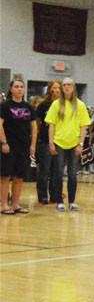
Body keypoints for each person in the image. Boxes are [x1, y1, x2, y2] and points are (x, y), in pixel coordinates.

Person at [45, 78, 92, 212]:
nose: (66, 87)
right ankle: (59, 201)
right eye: (64, 85)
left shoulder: (80, 105)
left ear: (74, 87)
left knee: (72, 174)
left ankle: (72, 201)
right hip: (59, 143)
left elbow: (84, 126)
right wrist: (51, 143)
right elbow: (51, 125)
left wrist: (81, 144)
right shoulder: (55, 104)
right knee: (58, 173)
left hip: (74, 144)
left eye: (69, 85)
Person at [1, 78, 37, 215]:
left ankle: (16, 204)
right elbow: (0, 125)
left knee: (19, 176)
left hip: (24, 147)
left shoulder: (28, 107)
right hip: (9, 146)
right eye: (16, 86)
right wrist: (4, 142)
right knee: (5, 175)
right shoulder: (5, 106)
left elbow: (34, 127)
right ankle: (4, 205)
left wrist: (33, 145)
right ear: (11, 89)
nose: (19, 89)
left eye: (21, 86)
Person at [33, 80, 61, 204]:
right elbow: (37, 123)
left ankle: (55, 195)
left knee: (57, 171)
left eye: (59, 87)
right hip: (44, 141)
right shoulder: (43, 105)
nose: (57, 90)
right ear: (50, 89)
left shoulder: (64, 105)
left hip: (60, 142)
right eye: (54, 88)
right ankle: (42, 195)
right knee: (44, 170)